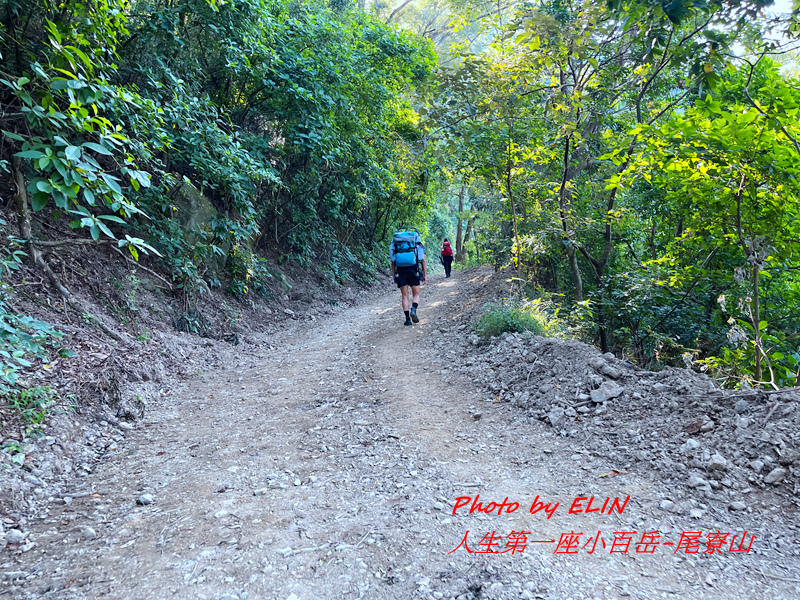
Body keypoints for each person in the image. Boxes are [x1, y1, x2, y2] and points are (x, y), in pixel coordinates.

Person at [390, 238, 427, 326]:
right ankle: (413, 309)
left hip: (401, 271)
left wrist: (394, 274)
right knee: (416, 294)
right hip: (413, 270)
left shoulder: (396, 243)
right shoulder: (417, 243)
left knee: (404, 296)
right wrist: (425, 275)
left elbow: (393, 261)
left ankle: (407, 320)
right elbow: (423, 260)